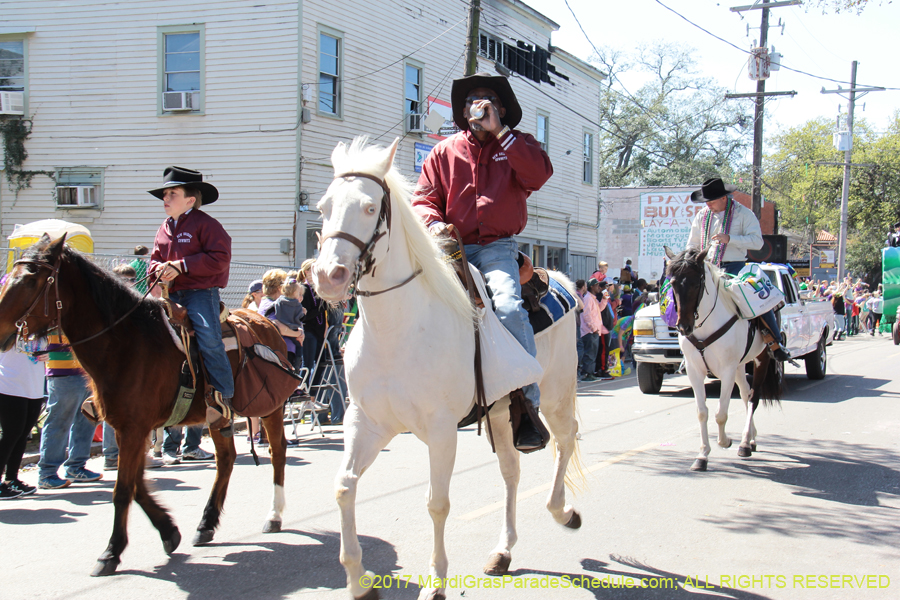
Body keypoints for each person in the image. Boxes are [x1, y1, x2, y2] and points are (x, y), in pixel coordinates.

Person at [412, 72, 553, 452]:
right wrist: (435, 223)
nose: (479, 105)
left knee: (507, 307)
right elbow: (423, 199)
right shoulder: (443, 152)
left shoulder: (519, 145)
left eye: (488, 101)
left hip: (496, 248)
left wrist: (502, 133)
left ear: (501, 110)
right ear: (462, 111)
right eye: (473, 100)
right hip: (449, 247)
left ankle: (526, 405)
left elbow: (538, 175)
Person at [148, 166, 235, 432]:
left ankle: (224, 398)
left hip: (200, 293)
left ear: (190, 200)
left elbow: (221, 258)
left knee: (209, 339)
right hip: (170, 294)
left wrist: (182, 265)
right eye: (164, 193)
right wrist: (156, 272)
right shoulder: (164, 228)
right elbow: (154, 260)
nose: (166, 198)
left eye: (172, 193)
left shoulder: (206, 224)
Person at [686, 177, 790, 362]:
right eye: (706, 201)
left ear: (724, 198)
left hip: (734, 267)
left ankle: (776, 342)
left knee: (756, 296)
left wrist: (731, 239)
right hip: (707, 267)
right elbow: (693, 244)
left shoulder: (744, 214)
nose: (708, 204)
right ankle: (688, 349)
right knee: (686, 297)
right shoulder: (702, 215)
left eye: (711, 200)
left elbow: (757, 242)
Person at [37, 332, 102, 489]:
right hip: (62, 373)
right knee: (59, 422)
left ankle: (76, 467)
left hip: (87, 371)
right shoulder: (54, 311)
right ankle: (47, 473)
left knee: (87, 420)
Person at [0, 343, 45, 499]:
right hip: (9, 385)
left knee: (23, 434)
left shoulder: (43, 327)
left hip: (34, 386)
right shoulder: (9, 321)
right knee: (11, 434)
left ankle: (11, 479)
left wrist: (48, 355)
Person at [273, 277, 307, 371]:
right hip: (293, 329)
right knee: (299, 345)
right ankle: (297, 364)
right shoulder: (296, 305)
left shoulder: (279, 301)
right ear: (294, 293)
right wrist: (304, 313)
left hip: (283, 324)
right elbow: (300, 317)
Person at [578, 279, 603, 382]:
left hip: (594, 330)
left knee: (593, 353)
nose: (599, 287)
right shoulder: (588, 298)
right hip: (590, 331)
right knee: (590, 353)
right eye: (597, 285)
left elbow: (599, 309)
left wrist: (605, 300)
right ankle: (587, 374)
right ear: (591, 287)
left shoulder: (593, 298)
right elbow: (586, 314)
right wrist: (593, 328)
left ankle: (590, 372)